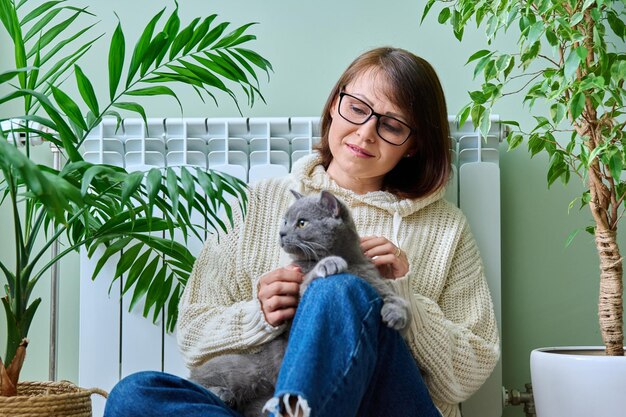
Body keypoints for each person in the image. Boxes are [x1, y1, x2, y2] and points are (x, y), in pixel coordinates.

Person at [103, 46, 500, 417]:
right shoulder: (257, 203)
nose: (365, 133)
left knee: (339, 287)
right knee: (133, 396)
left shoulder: (446, 228)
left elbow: (468, 375)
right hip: (266, 399)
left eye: (392, 125)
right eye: (357, 108)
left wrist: (401, 296)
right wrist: (259, 315)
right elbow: (192, 337)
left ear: (412, 145)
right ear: (334, 105)